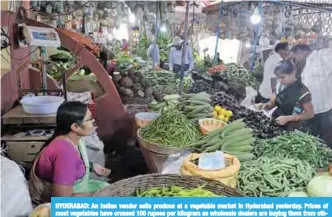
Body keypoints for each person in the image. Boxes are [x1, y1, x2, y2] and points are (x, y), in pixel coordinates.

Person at [28, 101, 111, 204]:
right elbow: (62, 202)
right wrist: (96, 196)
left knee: (108, 189)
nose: (93, 121)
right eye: (89, 119)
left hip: (76, 190)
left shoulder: (73, 139)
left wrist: (90, 166)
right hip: (64, 201)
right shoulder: (64, 152)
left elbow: (68, 167)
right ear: (75, 127)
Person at [290, 44, 332, 148]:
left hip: (324, 108)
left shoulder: (321, 56)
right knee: (315, 137)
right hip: (311, 110)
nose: (295, 59)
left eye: (295, 56)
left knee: (327, 136)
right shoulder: (304, 65)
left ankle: (329, 157)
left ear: (301, 52)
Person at [256, 60, 314, 130]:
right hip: (277, 122)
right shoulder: (278, 86)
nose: (280, 80)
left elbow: (310, 114)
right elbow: (272, 102)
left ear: (293, 72)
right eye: (278, 77)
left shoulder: (302, 91)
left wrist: (288, 118)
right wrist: (265, 105)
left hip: (292, 126)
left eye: (283, 77)